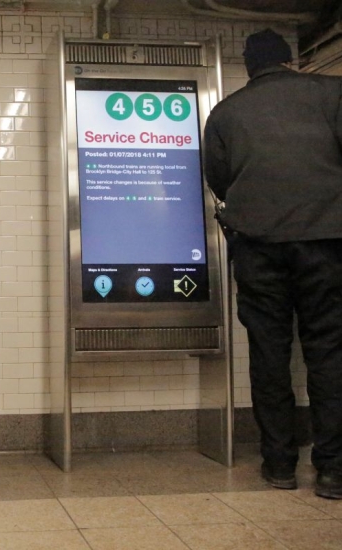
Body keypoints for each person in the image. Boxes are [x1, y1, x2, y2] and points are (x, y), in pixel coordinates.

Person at [204, 28, 342, 499]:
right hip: (328, 242)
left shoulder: (227, 111)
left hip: (259, 244)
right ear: (289, 61)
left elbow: (218, 180)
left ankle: (279, 464)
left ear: (249, 66)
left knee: (268, 353)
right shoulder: (333, 94)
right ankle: (333, 470)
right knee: (329, 351)